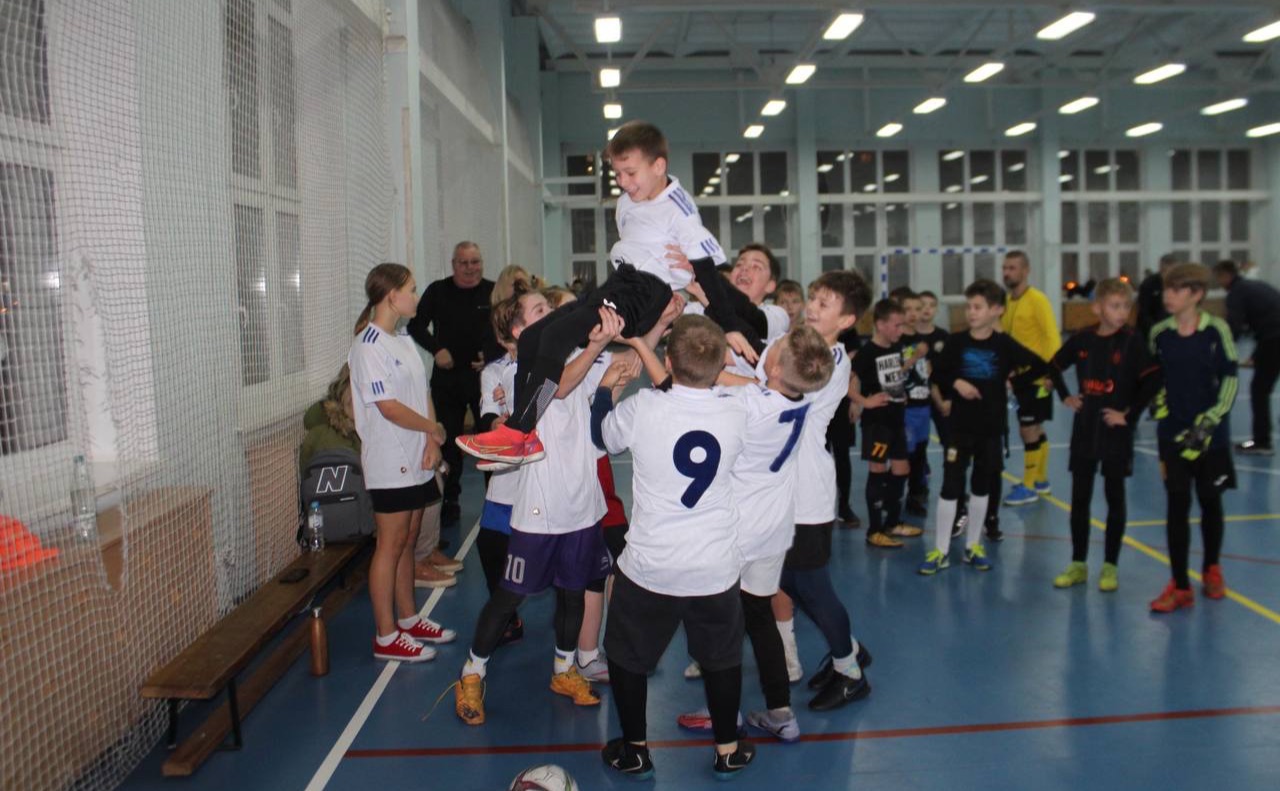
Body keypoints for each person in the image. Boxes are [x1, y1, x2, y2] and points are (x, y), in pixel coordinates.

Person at [456, 120, 727, 465]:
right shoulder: (630, 205)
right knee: (534, 337)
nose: (623, 182)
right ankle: (523, 432)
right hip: (622, 281)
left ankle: (519, 431)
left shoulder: (678, 208)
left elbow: (711, 271)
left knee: (556, 336)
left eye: (631, 173)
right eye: (619, 174)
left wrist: (727, 322)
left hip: (645, 291)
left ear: (658, 167)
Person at [593, 315, 755, 781]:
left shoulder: (643, 407)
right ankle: (728, 750)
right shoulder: (737, 410)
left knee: (626, 657)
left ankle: (635, 750)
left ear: (667, 361)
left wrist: (604, 391)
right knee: (722, 658)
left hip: (652, 565)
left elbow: (602, 436)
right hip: (714, 566)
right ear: (721, 365)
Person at [453, 301, 624, 726]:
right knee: (510, 596)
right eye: (539, 309)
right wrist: (595, 347)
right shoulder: (522, 370)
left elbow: (612, 377)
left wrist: (644, 332)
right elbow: (558, 388)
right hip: (539, 508)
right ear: (520, 332)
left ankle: (564, 668)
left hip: (583, 503)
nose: (551, 312)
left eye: (551, 306)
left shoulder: (578, 358)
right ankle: (471, 673)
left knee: (573, 593)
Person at [663, 326, 836, 743]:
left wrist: (703, 359)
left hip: (738, 529)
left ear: (774, 368)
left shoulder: (748, 406)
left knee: (719, 623)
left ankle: (720, 711)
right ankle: (781, 712)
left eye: (776, 346)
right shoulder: (802, 397)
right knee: (759, 617)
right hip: (774, 529)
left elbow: (689, 386)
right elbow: (754, 386)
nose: (770, 345)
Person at [348, 263, 456, 662]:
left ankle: (408, 619)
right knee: (390, 545)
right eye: (411, 289)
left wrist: (430, 440)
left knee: (409, 540)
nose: (416, 296)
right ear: (391, 296)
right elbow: (389, 408)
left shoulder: (405, 340)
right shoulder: (368, 345)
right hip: (389, 461)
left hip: (418, 455)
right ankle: (386, 634)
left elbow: (422, 392)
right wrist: (435, 427)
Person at [922, 279, 1066, 576]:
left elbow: (1041, 365)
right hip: (960, 427)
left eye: (978, 307)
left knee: (981, 485)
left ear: (997, 310)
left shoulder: (1004, 345)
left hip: (990, 428)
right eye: (969, 307)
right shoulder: (957, 342)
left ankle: (974, 546)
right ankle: (940, 550)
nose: (971, 312)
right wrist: (957, 383)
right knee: (951, 486)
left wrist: (1012, 382)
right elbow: (938, 374)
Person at [777, 271, 874, 711]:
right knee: (787, 581)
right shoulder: (804, 347)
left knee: (813, 587)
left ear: (847, 320)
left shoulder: (831, 360)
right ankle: (848, 648)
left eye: (825, 303)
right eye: (813, 298)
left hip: (808, 492)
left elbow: (782, 397)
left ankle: (850, 674)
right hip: (785, 487)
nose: (812, 307)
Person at [1049, 278, 1162, 592]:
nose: (1122, 312)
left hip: (1115, 434)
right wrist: (1065, 396)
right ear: (1097, 308)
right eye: (1115, 306)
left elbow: (1153, 380)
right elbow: (1054, 366)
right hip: (1086, 429)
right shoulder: (1083, 339)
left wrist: (1129, 415)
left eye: (1126, 306)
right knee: (1080, 499)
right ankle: (1078, 563)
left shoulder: (1132, 340)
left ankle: (1110, 565)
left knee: (1115, 497)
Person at [1148, 264, 1239, 612]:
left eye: (1176, 290)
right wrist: (1158, 404)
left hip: (1210, 437)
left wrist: (1210, 421)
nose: (1167, 296)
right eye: (1166, 289)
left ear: (1197, 294)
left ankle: (1212, 568)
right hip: (1172, 436)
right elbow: (1155, 378)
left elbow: (1230, 378)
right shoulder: (1159, 333)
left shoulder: (1217, 330)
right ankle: (1180, 584)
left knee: (1210, 500)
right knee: (1176, 504)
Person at [406, 242, 501, 525]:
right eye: (464, 263)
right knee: (448, 442)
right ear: (453, 264)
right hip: (447, 380)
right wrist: (436, 349)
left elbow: (508, 328)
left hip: (485, 380)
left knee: (491, 440)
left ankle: (495, 498)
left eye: (475, 262)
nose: (470, 268)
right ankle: (449, 501)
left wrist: (491, 355)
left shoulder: (493, 291)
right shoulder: (438, 291)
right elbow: (415, 325)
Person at [852, 298, 921, 548]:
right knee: (878, 470)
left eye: (902, 325)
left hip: (896, 419)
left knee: (902, 469)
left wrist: (902, 384)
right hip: (877, 423)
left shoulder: (898, 346)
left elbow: (896, 372)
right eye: (897, 325)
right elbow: (847, 381)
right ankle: (874, 530)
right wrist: (863, 402)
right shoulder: (867, 353)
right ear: (880, 325)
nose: (901, 330)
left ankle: (892, 522)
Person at [1000, 251, 1062, 508]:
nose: (1007, 273)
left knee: (1028, 429)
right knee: (1036, 428)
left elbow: (1052, 337)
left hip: (1038, 376)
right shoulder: (1007, 301)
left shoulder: (1038, 300)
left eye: (1012, 268)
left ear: (1026, 271)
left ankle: (1028, 486)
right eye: (1005, 268)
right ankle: (1040, 480)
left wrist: (1052, 373)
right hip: (1019, 377)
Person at [1212, 259, 1280, 455]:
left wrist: (1220, 352)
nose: (1219, 282)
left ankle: (1262, 442)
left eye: (1218, 278)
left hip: (1273, 340)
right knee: (1262, 387)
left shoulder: (1237, 293)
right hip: (1271, 339)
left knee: (1259, 390)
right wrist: (1257, 355)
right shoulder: (1255, 286)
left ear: (1226, 275)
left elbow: (1234, 328)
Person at [1137, 253, 1179, 341]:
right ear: (1160, 269)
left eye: (1173, 273)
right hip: (1151, 330)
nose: (1169, 275)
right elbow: (1144, 313)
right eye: (1165, 271)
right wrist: (1157, 330)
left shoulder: (1181, 285)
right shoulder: (1149, 284)